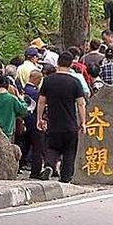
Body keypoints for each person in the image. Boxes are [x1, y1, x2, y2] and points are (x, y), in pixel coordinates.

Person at [36, 52, 86, 183]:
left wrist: (39, 119)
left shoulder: (48, 80)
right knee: (69, 151)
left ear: (58, 63)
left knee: (52, 147)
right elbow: (81, 104)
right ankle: (65, 177)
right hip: (70, 124)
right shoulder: (75, 82)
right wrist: (83, 122)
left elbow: (41, 101)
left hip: (53, 123)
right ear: (71, 64)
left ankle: (49, 165)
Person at [22, 70, 43, 178]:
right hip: (34, 122)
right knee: (37, 148)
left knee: (24, 146)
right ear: (37, 79)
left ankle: (18, 166)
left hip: (24, 122)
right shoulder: (36, 93)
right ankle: (35, 171)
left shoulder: (23, 90)